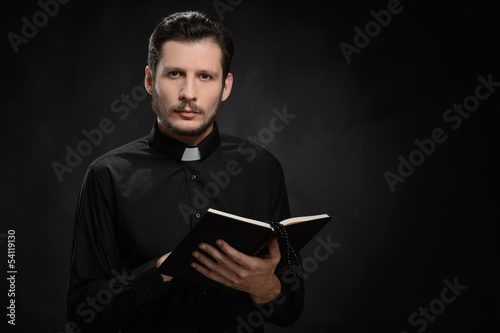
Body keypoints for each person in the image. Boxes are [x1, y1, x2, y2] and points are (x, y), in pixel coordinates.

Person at [66, 10, 304, 333]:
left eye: (205, 76)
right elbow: (82, 312)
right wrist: (160, 271)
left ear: (226, 86)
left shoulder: (263, 169)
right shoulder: (106, 176)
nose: (189, 94)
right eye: (175, 74)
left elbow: (292, 308)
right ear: (150, 80)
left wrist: (267, 289)